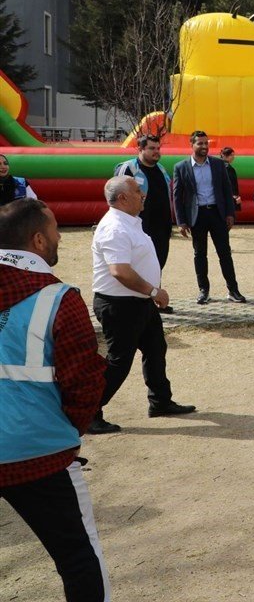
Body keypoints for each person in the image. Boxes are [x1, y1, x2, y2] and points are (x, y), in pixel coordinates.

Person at [0, 199, 110, 601]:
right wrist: (66, 428)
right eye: (57, 228)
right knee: (78, 556)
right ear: (38, 240)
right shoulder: (59, 298)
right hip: (39, 450)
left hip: (33, 444)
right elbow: (84, 380)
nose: (62, 235)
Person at [90, 176, 196, 434]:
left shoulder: (129, 222)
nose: (143, 194)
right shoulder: (115, 227)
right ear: (123, 198)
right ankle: (90, 412)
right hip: (120, 305)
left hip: (138, 302)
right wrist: (153, 290)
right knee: (118, 361)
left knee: (155, 348)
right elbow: (120, 271)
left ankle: (160, 401)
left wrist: (149, 293)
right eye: (138, 191)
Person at [172, 130, 244, 305]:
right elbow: (176, 196)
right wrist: (181, 221)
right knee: (200, 254)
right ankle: (203, 290)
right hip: (197, 216)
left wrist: (230, 213)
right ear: (192, 145)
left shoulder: (218, 165)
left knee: (224, 253)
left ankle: (233, 290)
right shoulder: (181, 167)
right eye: (200, 143)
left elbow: (227, 191)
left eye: (206, 143)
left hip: (217, 214)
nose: (204, 146)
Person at [115, 134, 175, 315]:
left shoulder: (161, 169)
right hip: (139, 226)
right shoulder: (129, 169)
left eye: (158, 148)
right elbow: (117, 197)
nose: (156, 152)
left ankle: (156, 299)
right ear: (140, 149)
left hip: (161, 226)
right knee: (138, 263)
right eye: (152, 149)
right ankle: (136, 302)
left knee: (157, 263)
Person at [220, 146, 242, 212]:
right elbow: (231, 184)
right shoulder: (228, 168)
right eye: (231, 155)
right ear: (225, 155)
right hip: (229, 199)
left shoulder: (218, 166)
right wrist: (235, 196)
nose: (233, 157)